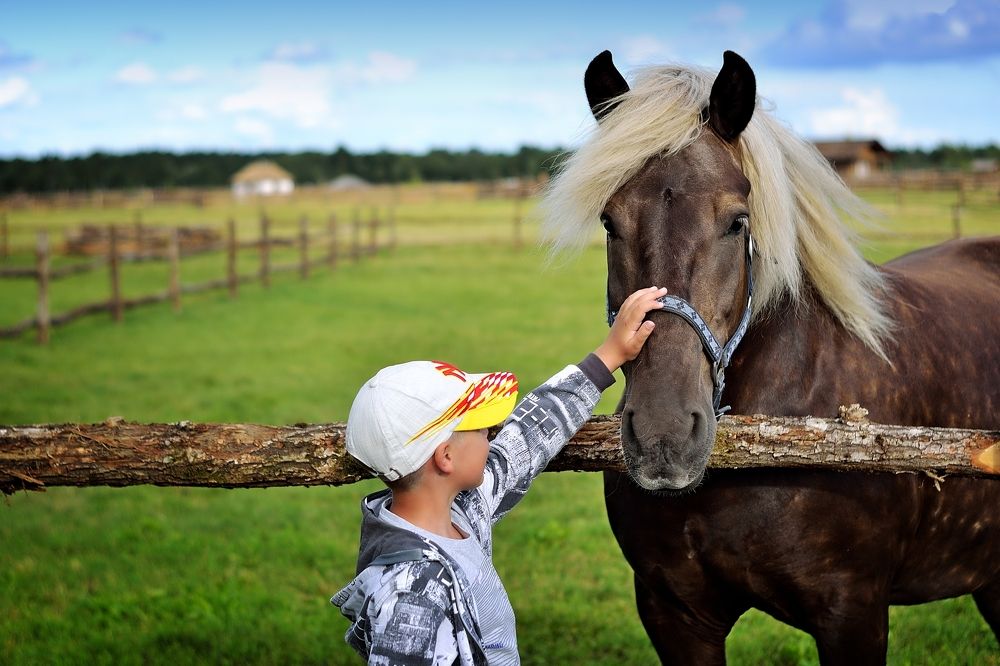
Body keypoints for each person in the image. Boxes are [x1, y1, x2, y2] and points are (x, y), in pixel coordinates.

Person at [331, 286, 668, 665]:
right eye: (480, 429)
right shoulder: (412, 595)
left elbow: (527, 437)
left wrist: (609, 355)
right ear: (445, 458)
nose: (494, 433)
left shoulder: (458, 513)